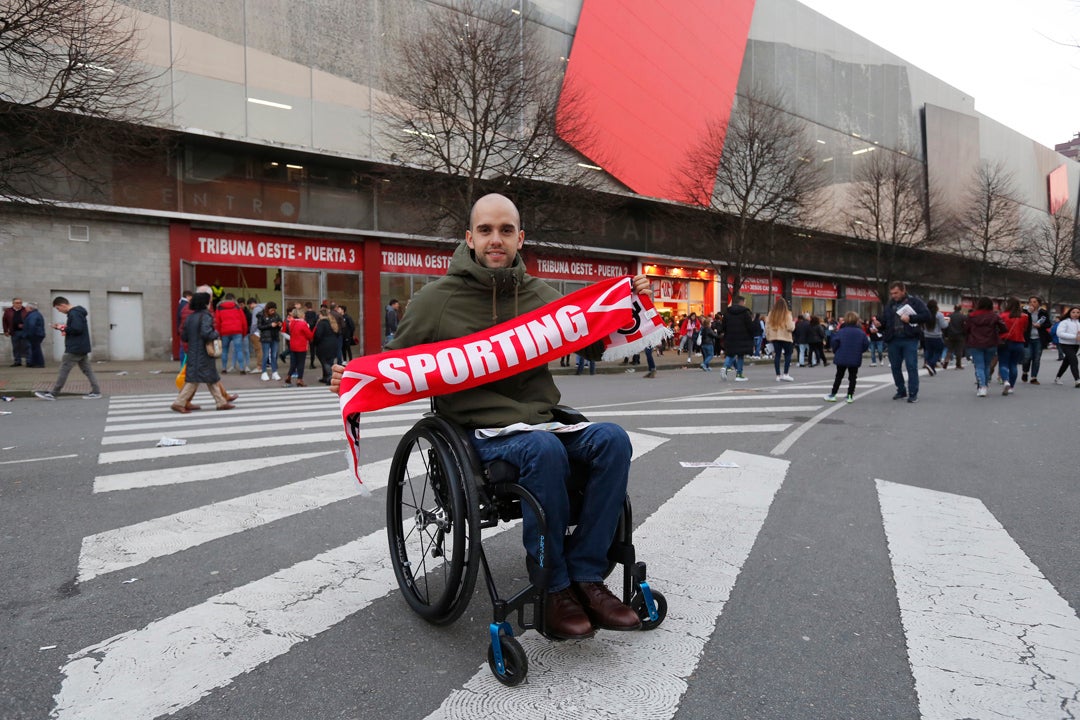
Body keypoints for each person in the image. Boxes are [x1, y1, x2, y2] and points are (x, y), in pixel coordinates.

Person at [331, 193, 647, 640]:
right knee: (542, 449)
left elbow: (591, 342)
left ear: (521, 237)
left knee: (613, 439)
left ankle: (586, 575)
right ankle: (553, 588)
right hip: (477, 432)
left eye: (504, 230)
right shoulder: (436, 301)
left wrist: (628, 303)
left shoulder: (541, 295)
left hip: (541, 420)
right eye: (485, 230)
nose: (495, 239)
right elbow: (395, 364)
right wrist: (354, 377)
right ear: (469, 238)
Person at [170, 291, 235, 412]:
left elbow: (184, 336)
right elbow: (206, 333)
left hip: (193, 351)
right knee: (195, 380)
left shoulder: (190, 317)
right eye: (209, 301)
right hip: (203, 352)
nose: (210, 304)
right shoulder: (205, 316)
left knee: (211, 377)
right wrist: (216, 333)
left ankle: (221, 402)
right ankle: (179, 403)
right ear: (205, 303)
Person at [33, 296, 102, 400]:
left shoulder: (74, 313)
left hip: (75, 348)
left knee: (64, 370)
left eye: (58, 308)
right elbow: (76, 329)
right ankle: (96, 392)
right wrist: (62, 328)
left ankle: (53, 393)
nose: (59, 311)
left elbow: (77, 329)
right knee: (88, 371)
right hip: (81, 347)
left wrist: (61, 327)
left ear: (63, 305)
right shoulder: (78, 312)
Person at [881, 280, 931, 403]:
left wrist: (911, 318)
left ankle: (913, 393)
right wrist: (879, 324)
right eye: (892, 293)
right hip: (893, 339)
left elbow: (927, 316)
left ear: (903, 291)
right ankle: (901, 390)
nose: (894, 296)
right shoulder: (890, 304)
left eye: (896, 293)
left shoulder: (915, 302)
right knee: (895, 367)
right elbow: (885, 321)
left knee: (911, 365)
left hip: (909, 338)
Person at [963, 296, 1006, 397]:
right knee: (987, 365)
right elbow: (1004, 328)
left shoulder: (971, 316)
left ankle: (982, 387)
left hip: (975, 343)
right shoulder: (994, 316)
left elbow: (965, 329)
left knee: (979, 366)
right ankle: (984, 385)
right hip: (991, 343)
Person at [824, 312, 869, 403]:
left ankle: (833, 394)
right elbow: (865, 345)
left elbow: (834, 343)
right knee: (852, 377)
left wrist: (836, 351)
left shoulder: (841, 331)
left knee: (839, 376)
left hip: (842, 356)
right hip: (855, 357)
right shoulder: (861, 333)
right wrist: (859, 351)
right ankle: (849, 396)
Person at [997, 297, 1029, 396]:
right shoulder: (1024, 316)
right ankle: (1011, 387)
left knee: (1003, 363)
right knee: (1013, 365)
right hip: (1019, 343)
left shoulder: (1002, 315)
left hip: (1005, 342)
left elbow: (998, 329)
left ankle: (1005, 380)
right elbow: (1024, 329)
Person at [720, 295, 754, 381]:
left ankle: (725, 367)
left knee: (731, 353)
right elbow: (750, 326)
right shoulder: (745, 313)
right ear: (741, 302)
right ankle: (739, 374)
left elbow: (723, 326)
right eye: (744, 302)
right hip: (742, 337)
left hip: (730, 337)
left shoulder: (727, 312)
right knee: (740, 355)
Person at [214, 293, 248, 374]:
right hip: (237, 331)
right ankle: (242, 369)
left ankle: (224, 368)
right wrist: (243, 333)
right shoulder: (238, 307)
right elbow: (244, 321)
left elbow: (217, 322)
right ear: (233, 299)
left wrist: (219, 333)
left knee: (225, 350)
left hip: (225, 331)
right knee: (239, 350)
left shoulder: (219, 308)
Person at [765, 297, 795, 382]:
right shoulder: (787, 314)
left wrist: (768, 336)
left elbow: (767, 326)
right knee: (788, 355)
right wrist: (793, 324)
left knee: (777, 355)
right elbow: (790, 327)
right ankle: (785, 374)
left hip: (775, 338)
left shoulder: (771, 314)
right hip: (786, 337)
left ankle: (778, 375)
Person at [1021, 295, 1050, 384]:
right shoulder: (1025, 312)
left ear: (1039, 303)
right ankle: (1025, 372)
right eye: (1030, 302)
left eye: (1034, 302)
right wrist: (1029, 313)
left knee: (1036, 358)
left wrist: (1040, 325)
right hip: (1027, 338)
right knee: (1027, 357)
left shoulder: (1043, 312)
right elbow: (1022, 323)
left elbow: (1048, 324)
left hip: (1038, 338)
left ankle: (1034, 377)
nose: (1032, 304)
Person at [283, 308, 314, 387]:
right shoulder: (303, 324)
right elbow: (309, 335)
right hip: (301, 346)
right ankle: (299, 379)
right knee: (301, 363)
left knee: (293, 363)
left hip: (293, 345)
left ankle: (288, 376)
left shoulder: (291, 323)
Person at [1051, 306, 1080, 387]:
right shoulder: (1064, 322)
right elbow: (1060, 333)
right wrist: (1074, 336)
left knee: (1066, 362)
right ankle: (1077, 380)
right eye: (1073, 312)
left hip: (1076, 345)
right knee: (1074, 360)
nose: (1075, 314)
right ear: (1069, 313)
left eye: (1078, 312)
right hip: (1065, 344)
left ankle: (1057, 377)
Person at [313, 306, 341, 384]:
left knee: (324, 362)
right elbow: (338, 333)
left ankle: (329, 377)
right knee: (330, 361)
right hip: (333, 344)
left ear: (321, 315)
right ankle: (325, 377)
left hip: (323, 345)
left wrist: (315, 342)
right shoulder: (332, 322)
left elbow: (318, 335)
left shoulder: (322, 323)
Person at [258, 301, 283, 381]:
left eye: (274, 310)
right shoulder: (261, 315)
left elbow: (280, 324)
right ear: (267, 309)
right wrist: (270, 325)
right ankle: (264, 372)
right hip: (266, 337)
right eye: (271, 310)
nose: (273, 312)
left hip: (275, 337)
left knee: (274, 355)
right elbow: (260, 326)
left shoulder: (276, 315)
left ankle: (274, 372)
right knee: (265, 355)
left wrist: (280, 325)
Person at [921, 299, 946, 377]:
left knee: (930, 352)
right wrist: (947, 323)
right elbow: (943, 326)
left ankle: (931, 369)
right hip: (937, 336)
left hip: (927, 336)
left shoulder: (925, 314)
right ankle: (931, 364)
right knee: (938, 351)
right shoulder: (939, 315)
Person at [3, 297, 28, 367]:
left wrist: (24, 325)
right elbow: (4, 321)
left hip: (24, 332)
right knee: (16, 347)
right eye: (17, 303)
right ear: (13, 303)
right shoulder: (8, 311)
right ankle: (17, 361)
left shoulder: (25, 310)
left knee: (26, 346)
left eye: (20, 303)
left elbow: (29, 320)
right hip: (14, 332)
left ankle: (28, 361)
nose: (19, 304)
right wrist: (6, 330)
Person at [941, 304, 966, 370]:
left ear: (954, 308)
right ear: (960, 309)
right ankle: (958, 364)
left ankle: (946, 361)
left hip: (950, 335)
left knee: (949, 349)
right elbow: (965, 327)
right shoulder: (963, 317)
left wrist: (945, 335)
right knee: (959, 350)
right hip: (960, 335)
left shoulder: (949, 316)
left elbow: (945, 326)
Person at [22, 301, 46, 368]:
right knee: (35, 349)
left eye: (26, 307)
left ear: (30, 308)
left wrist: (29, 334)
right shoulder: (34, 314)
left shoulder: (33, 315)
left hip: (35, 335)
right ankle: (34, 363)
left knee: (36, 349)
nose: (25, 308)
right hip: (37, 334)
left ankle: (40, 364)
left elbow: (32, 325)